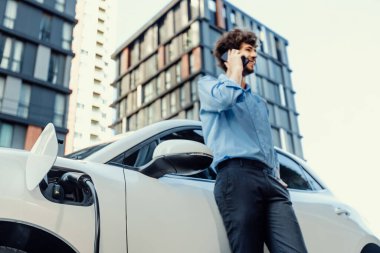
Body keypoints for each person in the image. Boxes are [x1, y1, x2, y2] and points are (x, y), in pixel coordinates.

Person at [198, 29, 308, 253]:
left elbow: (266, 144)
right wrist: (236, 69)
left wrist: (276, 173)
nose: (255, 56)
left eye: (255, 50)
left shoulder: (258, 102)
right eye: (249, 50)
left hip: (271, 182)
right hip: (237, 177)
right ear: (230, 55)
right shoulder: (208, 85)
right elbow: (225, 100)